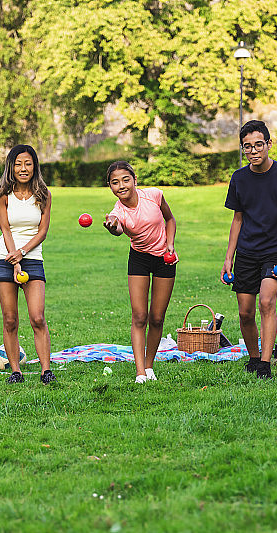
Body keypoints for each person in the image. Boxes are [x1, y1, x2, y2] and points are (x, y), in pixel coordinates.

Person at [222, 120, 277, 379]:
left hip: (274, 253)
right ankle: (254, 358)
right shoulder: (239, 178)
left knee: (266, 302)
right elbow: (238, 219)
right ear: (243, 149)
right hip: (246, 252)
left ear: (269, 144)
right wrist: (228, 258)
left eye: (259, 144)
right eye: (248, 147)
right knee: (245, 312)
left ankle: (265, 363)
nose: (254, 150)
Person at [103, 161, 177, 384]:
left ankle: (149, 365)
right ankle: (140, 372)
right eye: (115, 183)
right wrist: (112, 226)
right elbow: (117, 229)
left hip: (165, 258)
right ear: (110, 187)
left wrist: (171, 244)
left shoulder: (153, 195)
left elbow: (170, 219)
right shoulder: (117, 212)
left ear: (135, 180)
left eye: (125, 180)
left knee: (157, 317)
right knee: (139, 316)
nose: (121, 185)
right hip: (139, 260)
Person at [0, 145, 55, 384]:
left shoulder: (43, 194)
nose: (23, 168)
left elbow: (43, 231)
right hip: (5, 258)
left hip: (33, 258)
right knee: (10, 319)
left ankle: (46, 371)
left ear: (34, 166)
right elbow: (5, 229)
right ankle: (16, 371)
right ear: (11, 167)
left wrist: (23, 253)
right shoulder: (1, 195)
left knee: (37, 317)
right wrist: (15, 260)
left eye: (27, 163)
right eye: (18, 164)